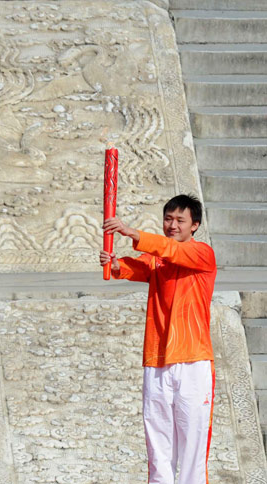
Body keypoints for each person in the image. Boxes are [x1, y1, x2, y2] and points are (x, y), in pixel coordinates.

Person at [100, 194, 216, 484]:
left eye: (180, 220)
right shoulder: (156, 260)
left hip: (193, 360)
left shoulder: (202, 254)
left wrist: (131, 232)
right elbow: (135, 267)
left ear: (195, 226)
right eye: (168, 219)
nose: (172, 225)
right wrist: (114, 264)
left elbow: (169, 250)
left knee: (192, 442)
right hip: (157, 359)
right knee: (158, 442)